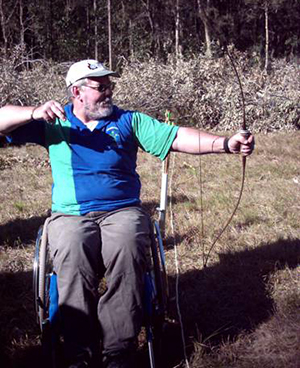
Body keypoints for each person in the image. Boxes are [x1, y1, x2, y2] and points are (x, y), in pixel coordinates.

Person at [0, 59, 254, 368]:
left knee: (127, 246)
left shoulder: (128, 120)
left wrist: (226, 143)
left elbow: (175, 137)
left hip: (122, 211)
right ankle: (79, 351)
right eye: (100, 87)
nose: (108, 92)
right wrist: (32, 112)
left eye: (110, 85)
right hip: (70, 215)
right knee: (71, 249)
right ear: (76, 92)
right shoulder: (53, 121)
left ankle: (118, 350)